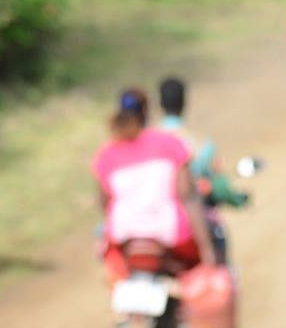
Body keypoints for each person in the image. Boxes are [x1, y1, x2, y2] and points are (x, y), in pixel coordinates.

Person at [92, 86, 216, 282]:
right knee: (197, 278)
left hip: (124, 239)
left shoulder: (106, 155)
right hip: (170, 236)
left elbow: (104, 203)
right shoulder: (169, 143)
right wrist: (207, 251)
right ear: (146, 111)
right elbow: (188, 197)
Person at [156, 75, 247, 263]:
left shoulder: (148, 144)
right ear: (184, 102)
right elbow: (220, 185)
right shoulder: (201, 145)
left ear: (160, 103)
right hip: (190, 229)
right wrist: (237, 199)